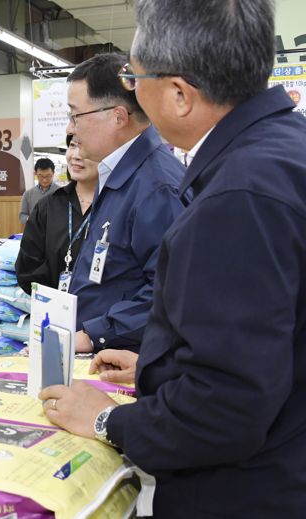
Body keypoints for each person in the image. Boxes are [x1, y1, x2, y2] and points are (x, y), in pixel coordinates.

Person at [40, 1, 306, 516]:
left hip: (249, 492)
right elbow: (270, 338)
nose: (132, 90)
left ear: (179, 94)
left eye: (134, 76)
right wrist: (165, 366)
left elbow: (225, 411)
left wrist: (106, 421)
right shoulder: (283, 150)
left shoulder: (238, 196)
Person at [62, 52, 185, 353]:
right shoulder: (120, 175)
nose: (70, 129)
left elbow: (170, 291)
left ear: (117, 117)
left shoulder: (157, 187)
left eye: (75, 115)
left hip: (124, 357)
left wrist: (94, 335)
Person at [16, 135, 98, 293]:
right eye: (72, 146)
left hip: (101, 312)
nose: (76, 155)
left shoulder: (118, 205)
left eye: (85, 146)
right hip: (52, 307)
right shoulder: (47, 206)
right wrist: (51, 296)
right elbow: (28, 264)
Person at [19, 157, 59, 225]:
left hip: (56, 232)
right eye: (40, 176)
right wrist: (33, 220)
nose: (44, 180)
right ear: (35, 173)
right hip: (35, 232)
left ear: (53, 173)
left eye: (48, 176)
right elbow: (22, 216)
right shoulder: (28, 194)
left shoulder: (61, 192)